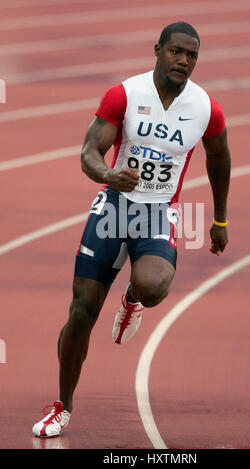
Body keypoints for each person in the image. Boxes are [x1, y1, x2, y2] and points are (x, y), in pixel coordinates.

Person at [32, 21, 231, 437]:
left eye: (192, 55)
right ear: (158, 50)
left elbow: (219, 159)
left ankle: (132, 297)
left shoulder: (206, 109)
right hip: (115, 206)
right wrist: (109, 172)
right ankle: (63, 407)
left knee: (154, 286)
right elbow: (90, 150)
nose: (184, 60)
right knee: (81, 312)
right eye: (176, 51)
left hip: (159, 212)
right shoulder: (125, 94)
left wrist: (219, 219)